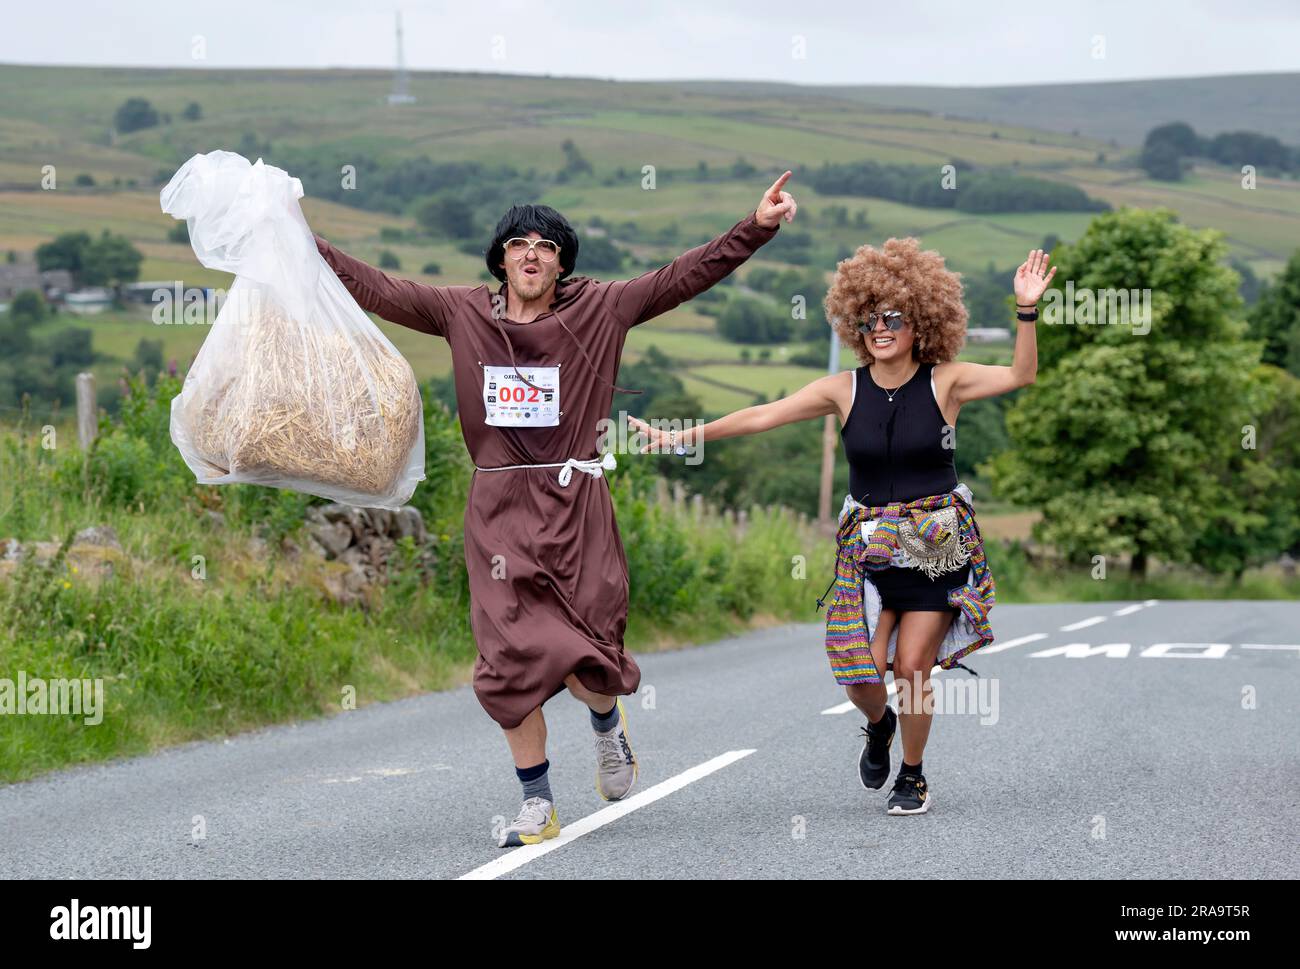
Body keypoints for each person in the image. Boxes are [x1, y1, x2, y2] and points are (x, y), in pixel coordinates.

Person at [314, 173, 797, 846]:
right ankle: (537, 803)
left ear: (563, 261)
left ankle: (606, 725)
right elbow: (379, 288)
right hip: (498, 506)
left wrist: (758, 225)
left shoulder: (602, 309)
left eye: (545, 245)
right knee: (508, 657)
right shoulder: (463, 314)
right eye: (518, 244)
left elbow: (684, 276)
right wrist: (298, 239)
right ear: (501, 260)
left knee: (588, 655)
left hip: (576, 504)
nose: (531, 254)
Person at [631, 239, 1055, 815]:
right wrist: (682, 436)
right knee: (859, 673)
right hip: (869, 556)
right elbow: (762, 415)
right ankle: (879, 726)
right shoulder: (842, 389)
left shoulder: (946, 381)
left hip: (933, 553)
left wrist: (1025, 310)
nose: (880, 328)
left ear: (921, 321)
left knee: (910, 667)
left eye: (893, 318)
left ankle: (913, 775)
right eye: (869, 320)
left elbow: (1022, 373)